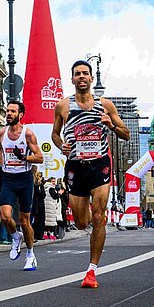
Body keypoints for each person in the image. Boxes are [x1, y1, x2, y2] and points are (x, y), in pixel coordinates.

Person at [52, 60, 129, 289]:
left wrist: (111, 126)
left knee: (98, 217)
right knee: (81, 222)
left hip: (100, 165)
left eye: (85, 73)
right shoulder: (63, 106)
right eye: (78, 74)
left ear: (91, 79)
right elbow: (55, 134)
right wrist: (61, 145)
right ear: (73, 79)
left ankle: (92, 270)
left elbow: (125, 134)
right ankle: (86, 213)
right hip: (76, 166)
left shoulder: (105, 105)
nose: (82, 77)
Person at [0, 100, 44, 271]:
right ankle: (16, 237)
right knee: (6, 216)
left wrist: (24, 158)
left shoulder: (28, 134)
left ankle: (30, 254)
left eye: (12, 111)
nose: (8, 114)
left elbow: (40, 157)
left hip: (24, 179)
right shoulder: (2, 132)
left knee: (24, 220)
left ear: (20, 115)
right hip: (8, 178)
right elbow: (1, 151)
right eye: (7, 111)